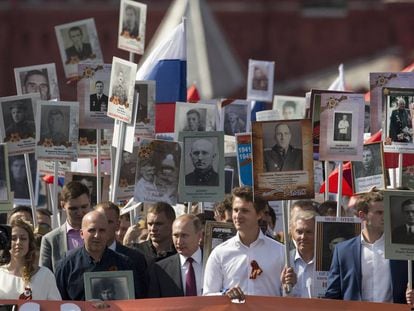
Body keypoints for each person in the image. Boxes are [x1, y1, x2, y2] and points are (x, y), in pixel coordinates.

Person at [203, 187, 295, 298]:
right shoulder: (219, 253)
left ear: (259, 214)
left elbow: (291, 299)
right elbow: (208, 296)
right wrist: (225, 295)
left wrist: (287, 288)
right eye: (236, 210)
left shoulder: (280, 252)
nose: (238, 216)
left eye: (245, 211)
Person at [325, 191, 409, 303]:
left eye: (386, 212)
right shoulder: (343, 251)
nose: (385, 217)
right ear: (362, 215)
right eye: (379, 212)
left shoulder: (400, 248)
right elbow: (333, 295)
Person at [55, 211, 143, 300]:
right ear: (81, 234)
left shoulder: (125, 264)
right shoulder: (66, 267)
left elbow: (137, 302)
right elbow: (58, 304)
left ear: (107, 233)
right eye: (92, 230)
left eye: (102, 230)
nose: (97, 235)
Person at [95, 202, 148, 298]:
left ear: (117, 225)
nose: (104, 226)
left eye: (109, 222)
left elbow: (142, 296)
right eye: (100, 221)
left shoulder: (135, 259)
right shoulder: (75, 261)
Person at [0, 218, 61, 300]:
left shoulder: (45, 275)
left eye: (23, 238)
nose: (18, 242)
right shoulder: (1, 274)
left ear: (30, 243)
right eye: (13, 238)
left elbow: (55, 306)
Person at [39, 181, 92, 272]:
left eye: (84, 207)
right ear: (63, 205)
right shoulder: (50, 240)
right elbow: (44, 277)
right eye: (73, 208)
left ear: (90, 202)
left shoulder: (102, 234)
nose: (79, 212)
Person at [148, 214, 203, 297]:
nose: (179, 241)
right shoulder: (160, 270)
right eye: (176, 235)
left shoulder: (214, 261)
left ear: (199, 236)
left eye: (184, 235)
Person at [289, 209, 318, 298]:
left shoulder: (328, 262)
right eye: (299, 232)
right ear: (292, 233)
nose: (303, 237)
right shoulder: (285, 260)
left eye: (308, 232)